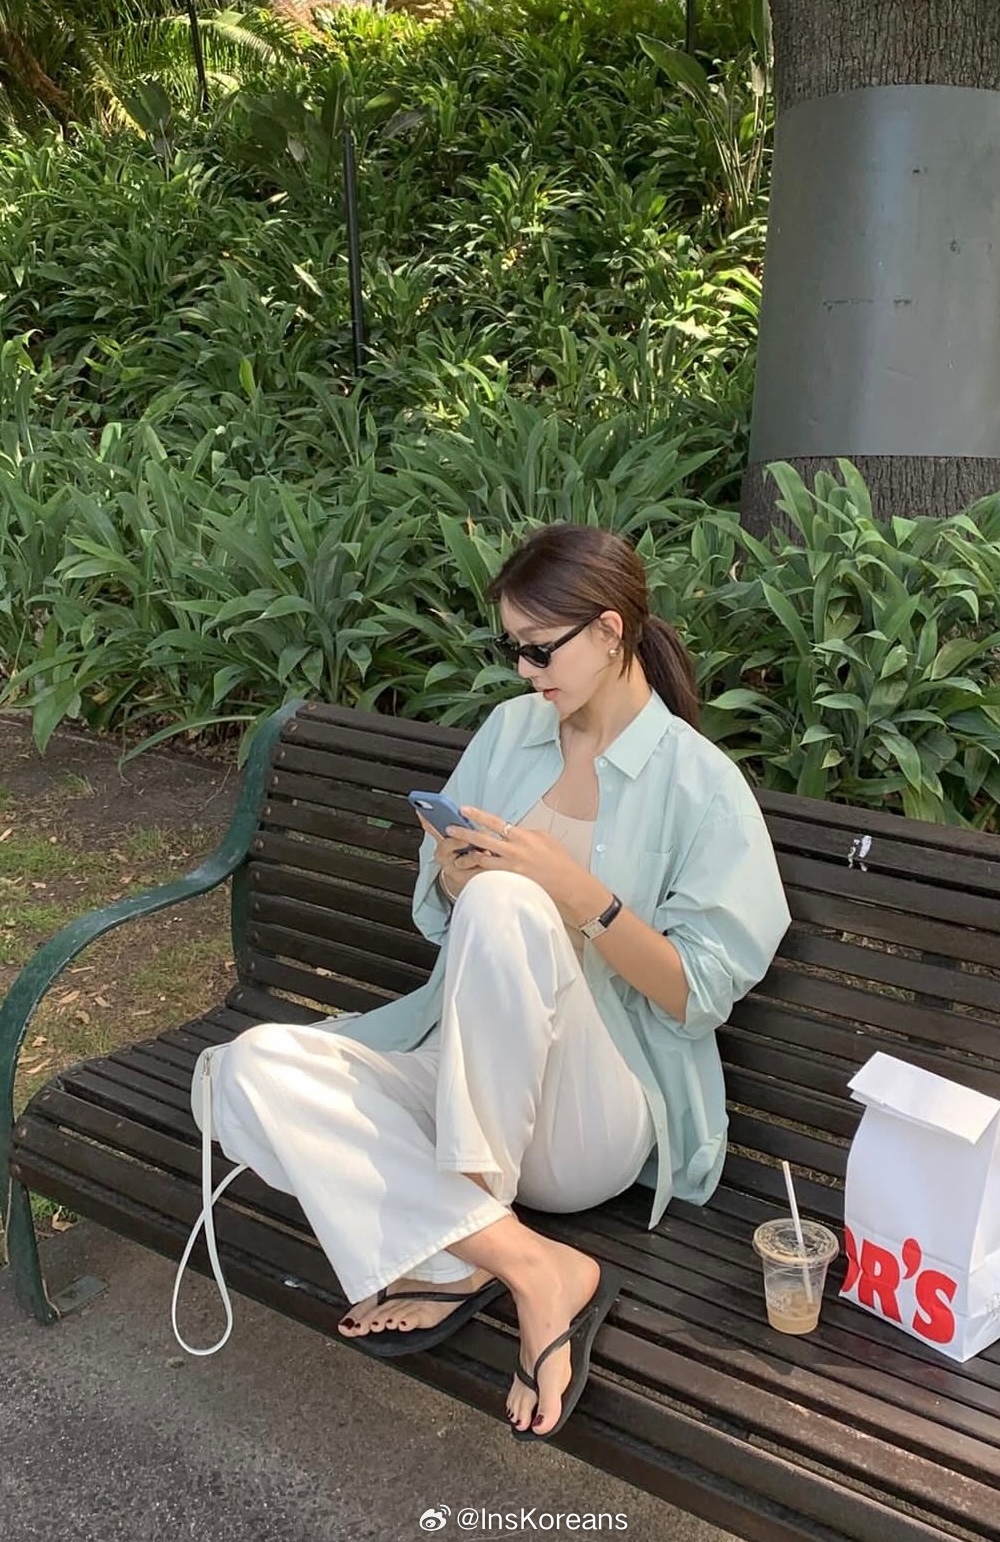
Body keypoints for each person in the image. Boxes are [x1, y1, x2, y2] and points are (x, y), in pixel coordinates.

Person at [178, 522, 791, 1443]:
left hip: (595, 1112)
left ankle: (455, 1237)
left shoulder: (699, 784)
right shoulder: (511, 732)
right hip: (468, 1070)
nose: (524, 671)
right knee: (244, 1071)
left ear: (610, 632)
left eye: (540, 649)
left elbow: (697, 992)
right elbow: (446, 917)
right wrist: (452, 876)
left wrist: (576, 894)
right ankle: (521, 1261)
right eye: (513, 648)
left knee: (511, 899)